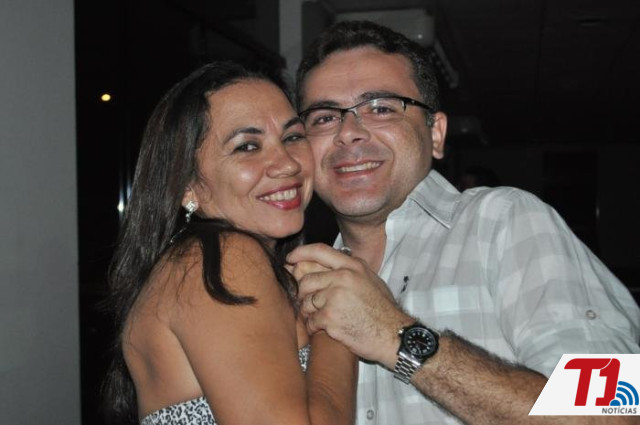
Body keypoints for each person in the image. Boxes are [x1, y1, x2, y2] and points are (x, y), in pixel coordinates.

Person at [287, 20, 640, 425]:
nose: (348, 133)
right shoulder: (300, 281)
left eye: (381, 108)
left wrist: (395, 337)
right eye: (324, 118)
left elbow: (617, 410)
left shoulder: (505, 221)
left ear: (436, 133)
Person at [102, 61, 357, 425]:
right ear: (188, 185)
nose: (286, 164)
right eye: (247, 146)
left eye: (292, 137)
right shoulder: (220, 259)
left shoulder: (204, 263)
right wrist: (338, 326)